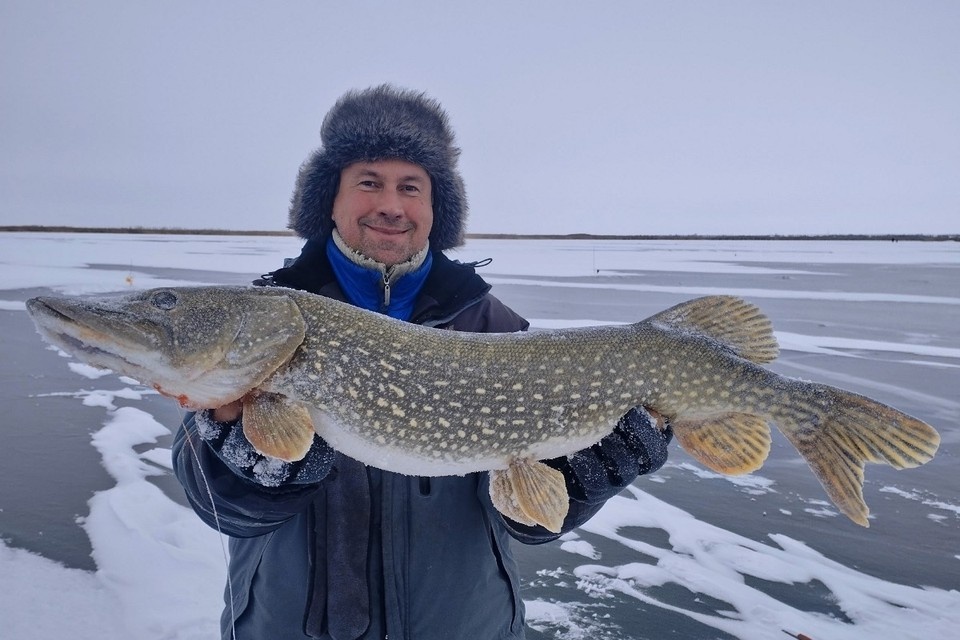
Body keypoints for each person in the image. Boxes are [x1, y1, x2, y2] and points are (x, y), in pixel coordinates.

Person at [172, 84, 673, 640]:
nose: (391, 205)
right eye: (369, 182)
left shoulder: (496, 329)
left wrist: (582, 483)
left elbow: (530, 519)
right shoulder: (266, 321)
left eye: (410, 187)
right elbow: (223, 509)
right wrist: (256, 468)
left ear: (435, 211)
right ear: (329, 202)